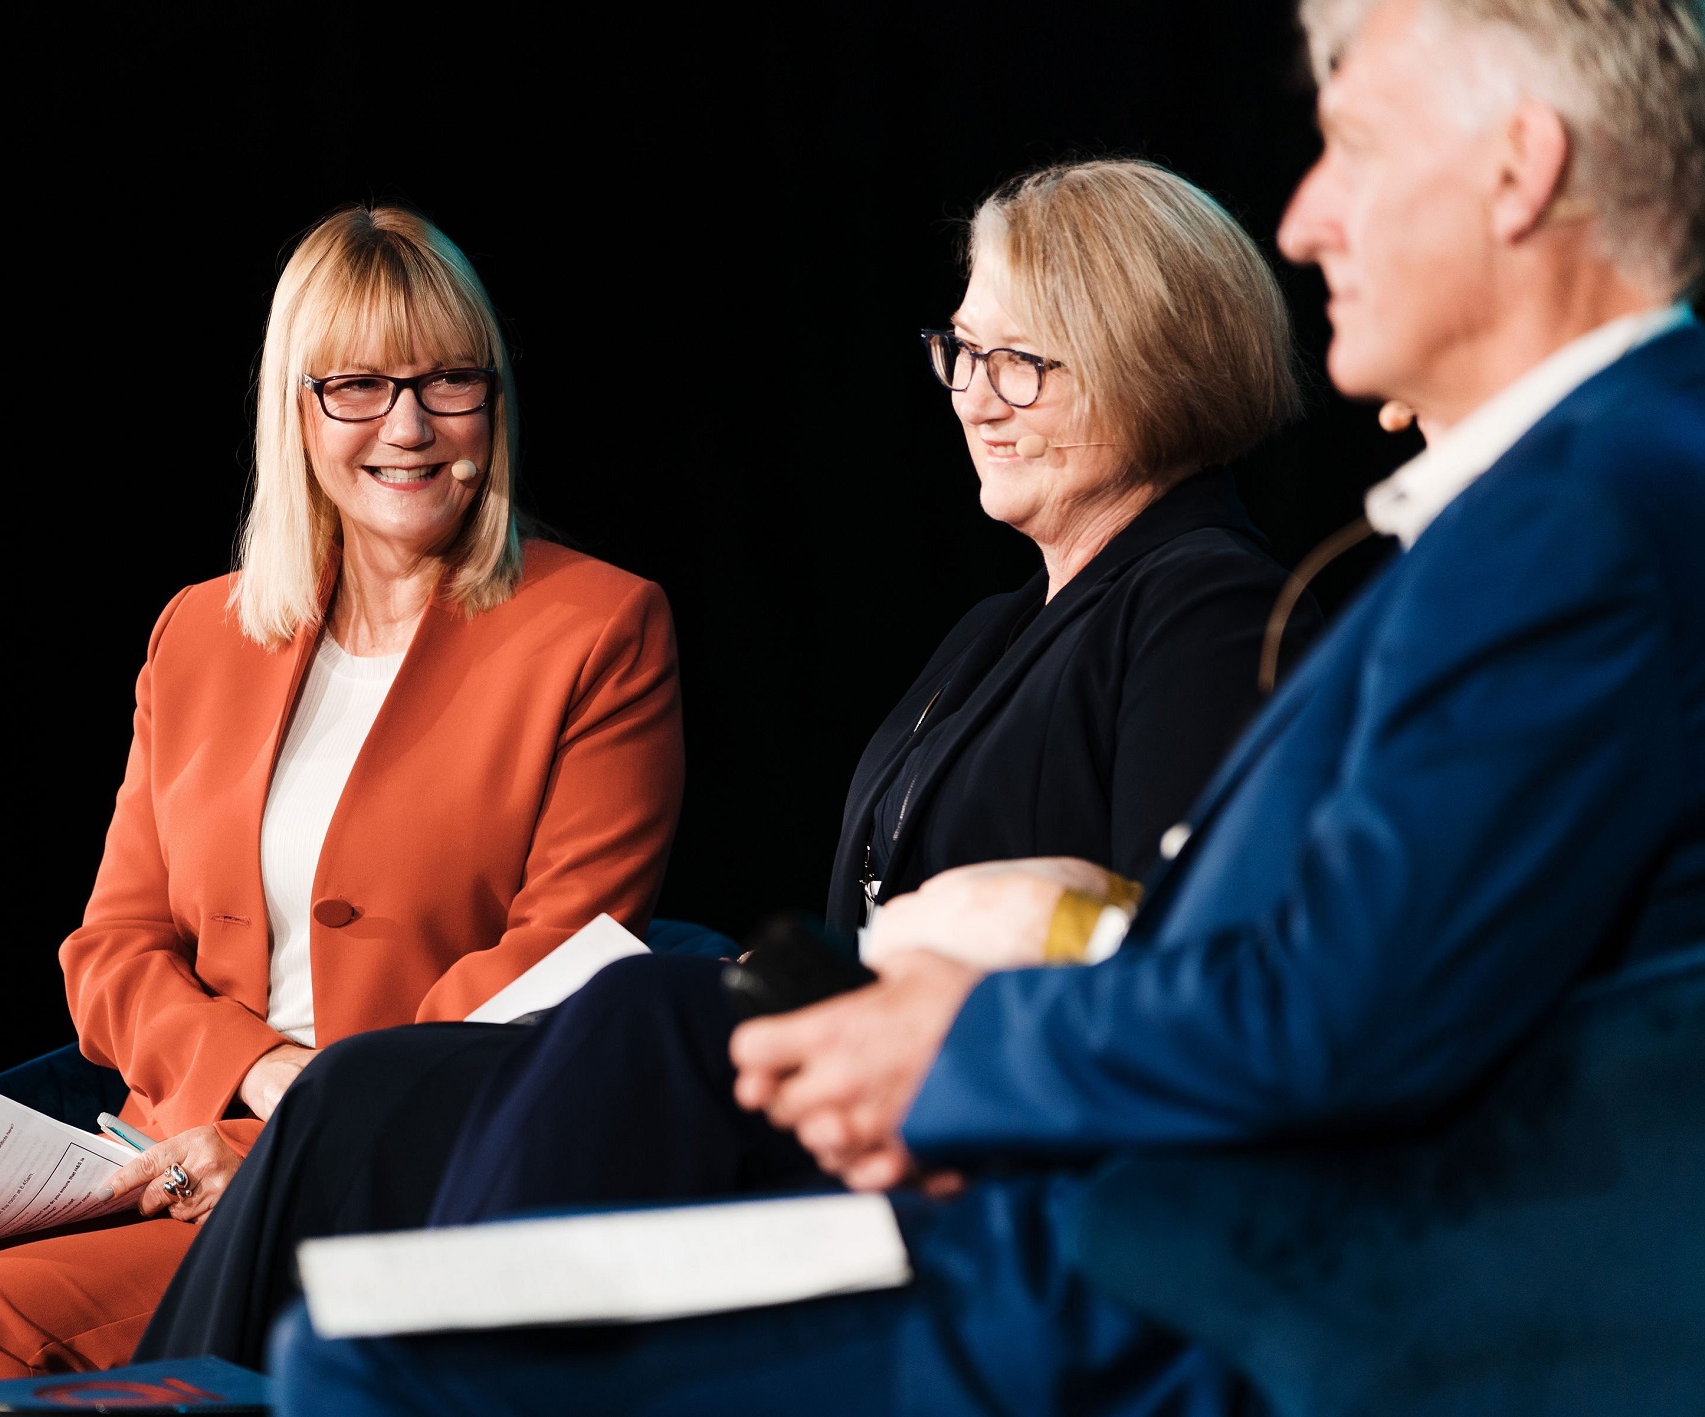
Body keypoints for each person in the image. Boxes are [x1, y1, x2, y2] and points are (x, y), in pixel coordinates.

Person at [272, 0, 1705, 1411]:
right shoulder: (1586, 491)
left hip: (1188, 1283)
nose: (1309, 218)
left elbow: (1321, 1014)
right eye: (965, 351)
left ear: (1522, 168)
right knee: (420, 1207)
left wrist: (961, 1034)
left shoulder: (1578, 513)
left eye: (1355, 145)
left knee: (376, 1356)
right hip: (1142, 1216)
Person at [140, 158, 1317, 1367]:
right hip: (841, 1070)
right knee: (362, 1096)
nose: (976, 399)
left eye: (1022, 362)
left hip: (944, 1125)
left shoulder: (1206, 608)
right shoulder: (1001, 626)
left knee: (559, 1034)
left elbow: (1174, 965)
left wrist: (987, 929)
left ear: (1158, 359)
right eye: (961, 353)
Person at [0, 207, 685, 1399]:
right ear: (295, 408)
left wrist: (298, 1121)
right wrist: (249, 1072)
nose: (410, 426)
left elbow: (554, 959)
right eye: (358, 385)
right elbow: (112, 948)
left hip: (397, 1167)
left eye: (452, 382)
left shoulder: (599, 626)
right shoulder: (201, 629)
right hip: (170, 1144)